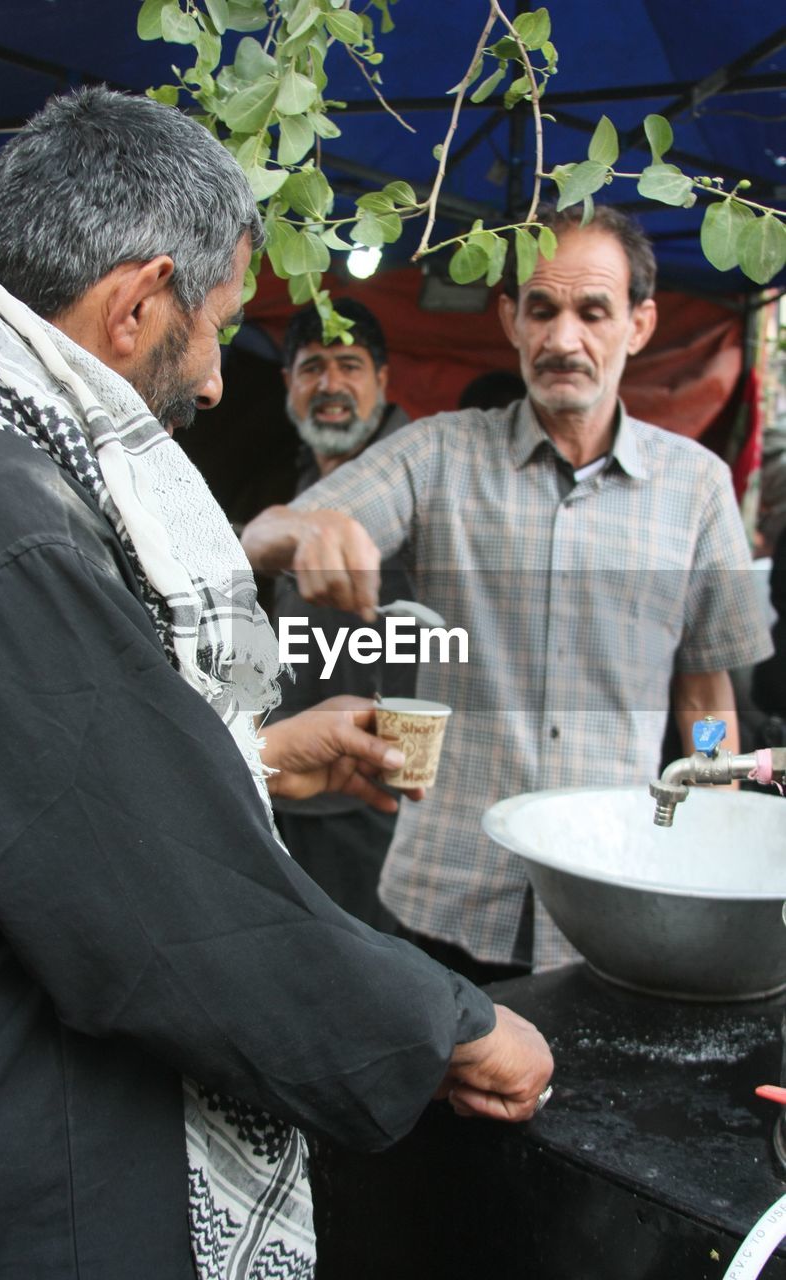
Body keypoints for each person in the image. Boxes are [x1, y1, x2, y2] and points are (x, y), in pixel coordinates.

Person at [0, 88, 554, 1280]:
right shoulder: (0, 515)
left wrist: (256, 755)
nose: (216, 379)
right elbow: (164, 916)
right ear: (137, 302)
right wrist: (454, 1028)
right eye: (217, 323)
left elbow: (24, 796)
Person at [242, 203, 773, 988]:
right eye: (541, 309)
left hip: (614, 897)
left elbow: (704, 700)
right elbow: (260, 535)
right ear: (509, 320)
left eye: (593, 311)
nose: (563, 339)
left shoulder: (694, 486)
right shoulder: (438, 454)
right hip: (440, 899)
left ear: (639, 323)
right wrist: (299, 534)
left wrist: (714, 825)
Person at [270, 298, 414, 930]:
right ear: (289, 385)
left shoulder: (417, 476)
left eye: (350, 365)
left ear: (383, 380)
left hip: (375, 802)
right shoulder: (304, 476)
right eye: (312, 367)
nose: (331, 385)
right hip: (291, 783)